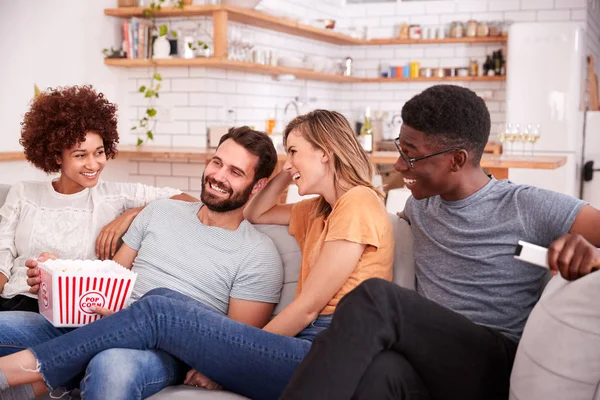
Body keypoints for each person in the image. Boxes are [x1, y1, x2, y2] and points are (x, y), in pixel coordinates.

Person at [0, 109, 395, 400]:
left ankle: (18, 372)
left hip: (323, 345)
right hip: (110, 320)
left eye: (295, 152)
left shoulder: (357, 202)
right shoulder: (318, 210)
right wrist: (284, 171)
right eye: (217, 162)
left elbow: (306, 310)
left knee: (157, 307)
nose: (219, 175)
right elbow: (258, 212)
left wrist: (225, 364)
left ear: (326, 153)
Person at [280, 85, 600, 400]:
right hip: (432, 363)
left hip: (494, 364)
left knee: (376, 299)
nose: (400, 165)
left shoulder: (526, 205)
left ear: (456, 161)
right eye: (400, 149)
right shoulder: (419, 206)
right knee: (381, 371)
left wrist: (592, 256)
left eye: (412, 155)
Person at [0, 126, 284, 400]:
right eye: (217, 163)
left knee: (112, 366)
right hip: (98, 323)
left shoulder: (259, 254)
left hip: (162, 350)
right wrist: (60, 274)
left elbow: (231, 342)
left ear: (258, 185)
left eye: (235, 172)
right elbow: (112, 278)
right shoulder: (160, 211)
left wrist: (216, 373)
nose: (218, 176)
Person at [0, 85, 192, 313]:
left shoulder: (114, 196)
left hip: (64, 311)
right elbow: (2, 263)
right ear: (56, 156)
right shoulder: (23, 194)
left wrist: (133, 214)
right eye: (80, 155)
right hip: (12, 302)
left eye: (99, 152)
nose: (93, 164)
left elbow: (187, 200)